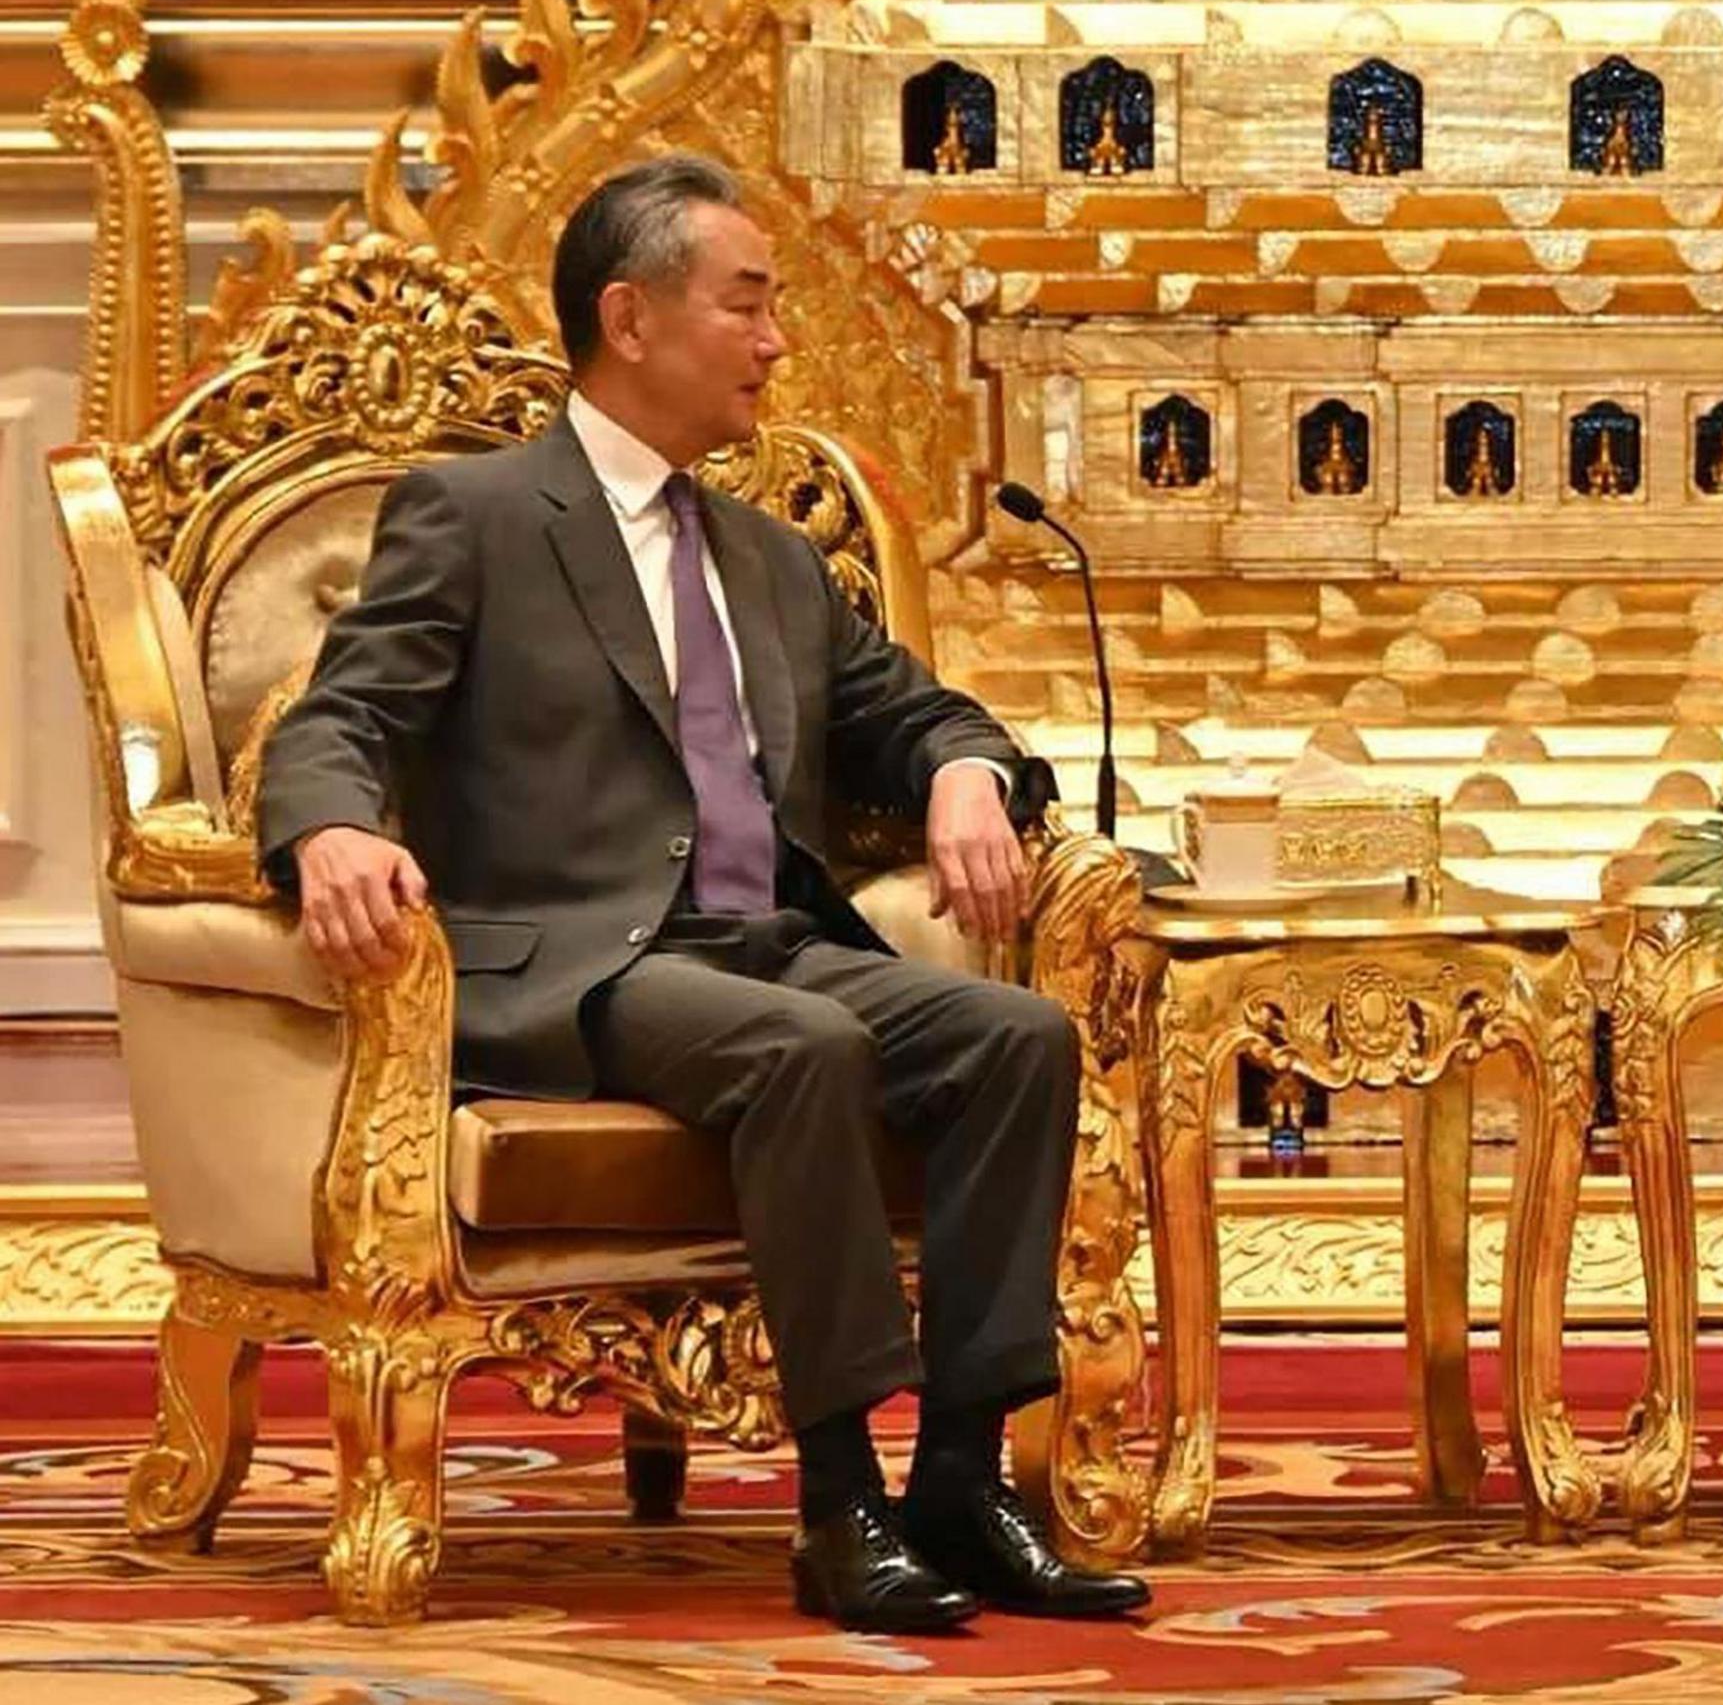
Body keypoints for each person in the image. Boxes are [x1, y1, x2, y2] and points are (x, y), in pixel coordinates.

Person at [257, 154, 1151, 1635]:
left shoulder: (772, 559)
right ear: (631, 317)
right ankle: (839, 1503)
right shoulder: (476, 516)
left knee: (1015, 1039)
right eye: (747, 302)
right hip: (577, 966)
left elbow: (924, 715)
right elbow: (338, 720)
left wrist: (967, 778)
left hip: (767, 944)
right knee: (809, 1054)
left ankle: (961, 1477)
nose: (777, 339)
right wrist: (332, 833)